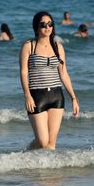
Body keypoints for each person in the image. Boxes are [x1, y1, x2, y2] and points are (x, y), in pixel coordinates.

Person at [19, 11, 79, 150]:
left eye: (50, 24)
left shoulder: (58, 47)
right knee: (42, 141)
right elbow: (23, 72)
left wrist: (73, 98)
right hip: (37, 95)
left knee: (51, 144)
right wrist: (27, 95)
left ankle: (47, 172)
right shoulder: (29, 46)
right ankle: (27, 154)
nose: (47, 27)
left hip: (56, 95)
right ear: (36, 27)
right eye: (43, 24)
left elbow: (64, 74)